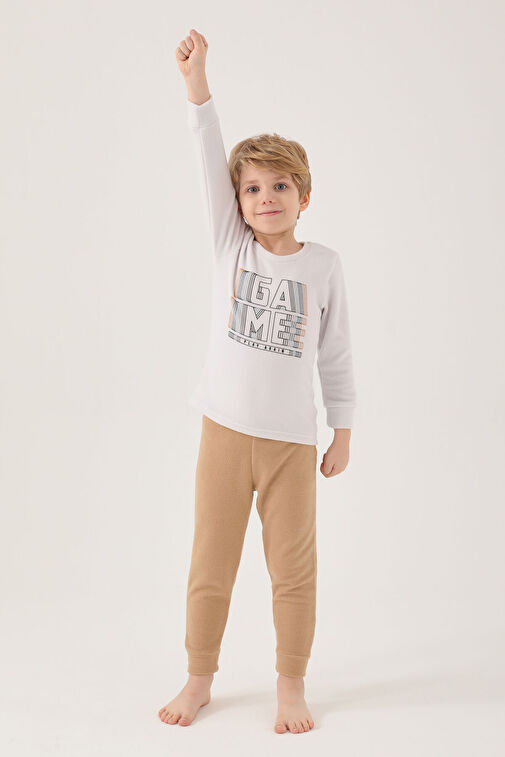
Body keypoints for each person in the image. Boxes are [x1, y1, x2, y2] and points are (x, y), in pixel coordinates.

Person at [158, 28, 357, 734]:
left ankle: (290, 684)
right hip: (223, 431)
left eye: (279, 186)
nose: (265, 196)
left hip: (290, 444)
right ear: (236, 200)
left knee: (292, 571)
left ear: (304, 195)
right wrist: (197, 84)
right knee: (210, 562)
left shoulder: (322, 265)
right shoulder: (230, 247)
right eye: (251, 187)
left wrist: (341, 430)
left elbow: (335, 353)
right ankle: (199, 676)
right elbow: (205, 149)